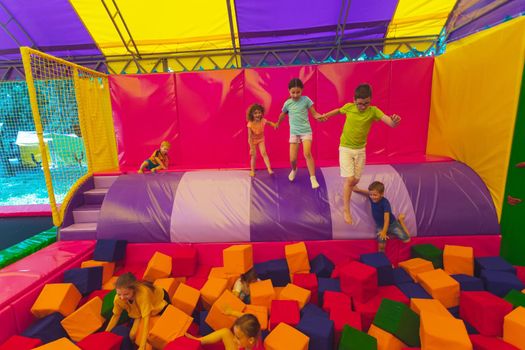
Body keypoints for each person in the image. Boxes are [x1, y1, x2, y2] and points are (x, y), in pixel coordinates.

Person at [320, 83, 401, 224]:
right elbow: (338, 111)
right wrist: (325, 116)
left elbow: (389, 122)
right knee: (350, 179)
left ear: (370, 100)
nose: (363, 107)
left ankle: (354, 186)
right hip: (345, 148)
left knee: (355, 180)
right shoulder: (350, 107)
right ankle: (346, 209)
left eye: (366, 103)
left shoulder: (373, 111)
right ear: (354, 100)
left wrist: (394, 121)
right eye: (360, 104)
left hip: (360, 150)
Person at [276, 78, 322, 189]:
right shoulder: (288, 103)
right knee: (292, 159)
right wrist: (277, 123)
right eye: (293, 92)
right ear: (289, 91)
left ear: (302, 90)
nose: (295, 95)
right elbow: (282, 115)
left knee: (307, 153)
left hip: (305, 131)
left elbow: (314, 114)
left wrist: (320, 117)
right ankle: (294, 169)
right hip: (294, 133)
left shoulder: (306, 100)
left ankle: (312, 177)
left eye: (298, 92)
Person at [105, 272, 170, 350]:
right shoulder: (118, 299)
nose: (122, 297)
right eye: (119, 294)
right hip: (138, 308)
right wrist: (105, 334)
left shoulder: (143, 295)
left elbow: (146, 320)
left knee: (167, 323)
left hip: (159, 300)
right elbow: (115, 316)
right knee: (132, 335)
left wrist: (142, 346)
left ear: (134, 290)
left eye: (126, 294)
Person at [353, 181, 410, 252]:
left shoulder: (385, 203)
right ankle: (383, 261)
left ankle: (400, 220)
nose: (373, 197)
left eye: (375, 195)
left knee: (407, 240)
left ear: (382, 194)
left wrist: (384, 232)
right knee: (381, 246)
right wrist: (358, 190)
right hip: (380, 226)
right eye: (371, 195)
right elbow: (368, 193)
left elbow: (387, 219)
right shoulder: (372, 198)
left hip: (392, 224)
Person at [187, 313, 263, 350]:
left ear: (251, 340)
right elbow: (244, 316)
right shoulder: (255, 328)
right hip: (241, 347)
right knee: (226, 332)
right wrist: (231, 312)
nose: (234, 339)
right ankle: (197, 341)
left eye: (238, 338)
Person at [247, 104, 276, 177]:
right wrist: (251, 148)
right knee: (254, 156)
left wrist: (274, 125)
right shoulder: (250, 124)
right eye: (255, 113)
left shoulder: (263, 120)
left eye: (259, 113)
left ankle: (269, 169)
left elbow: (268, 123)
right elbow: (250, 137)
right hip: (252, 141)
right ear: (252, 114)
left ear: (261, 113)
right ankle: (252, 170)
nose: (258, 115)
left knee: (264, 153)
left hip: (260, 139)